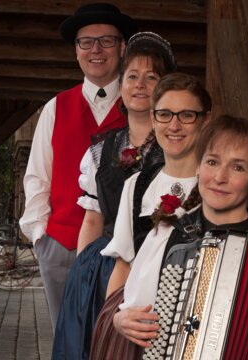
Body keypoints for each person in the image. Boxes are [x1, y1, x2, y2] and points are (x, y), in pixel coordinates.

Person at [112, 115, 248, 354]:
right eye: (212, 162)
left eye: (237, 167)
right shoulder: (166, 236)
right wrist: (121, 322)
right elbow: (134, 315)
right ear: (198, 166)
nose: (220, 178)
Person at [52, 31, 177, 360]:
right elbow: (92, 219)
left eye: (152, 77)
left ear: (165, 88)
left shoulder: (177, 149)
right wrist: (82, 273)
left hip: (160, 265)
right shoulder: (99, 150)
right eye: (132, 76)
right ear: (120, 85)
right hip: (102, 268)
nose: (140, 84)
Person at [18, 3, 137, 330]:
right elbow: (37, 178)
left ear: (122, 47)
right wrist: (42, 239)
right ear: (76, 50)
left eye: (106, 40)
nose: (96, 49)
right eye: (86, 41)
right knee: (67, 341)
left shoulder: (140, 107)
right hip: (62, 247)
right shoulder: (56, 108)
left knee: (119, 344)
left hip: (126, 252)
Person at [90, 73, 213, 359]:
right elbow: (123, 265)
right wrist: (116, 318)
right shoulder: (136, 186)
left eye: (186, 115)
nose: (174, 125)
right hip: (141, 336)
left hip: (199, 334)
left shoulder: (217, 186)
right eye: (165, 114)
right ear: (154, 119)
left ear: (206, 119)